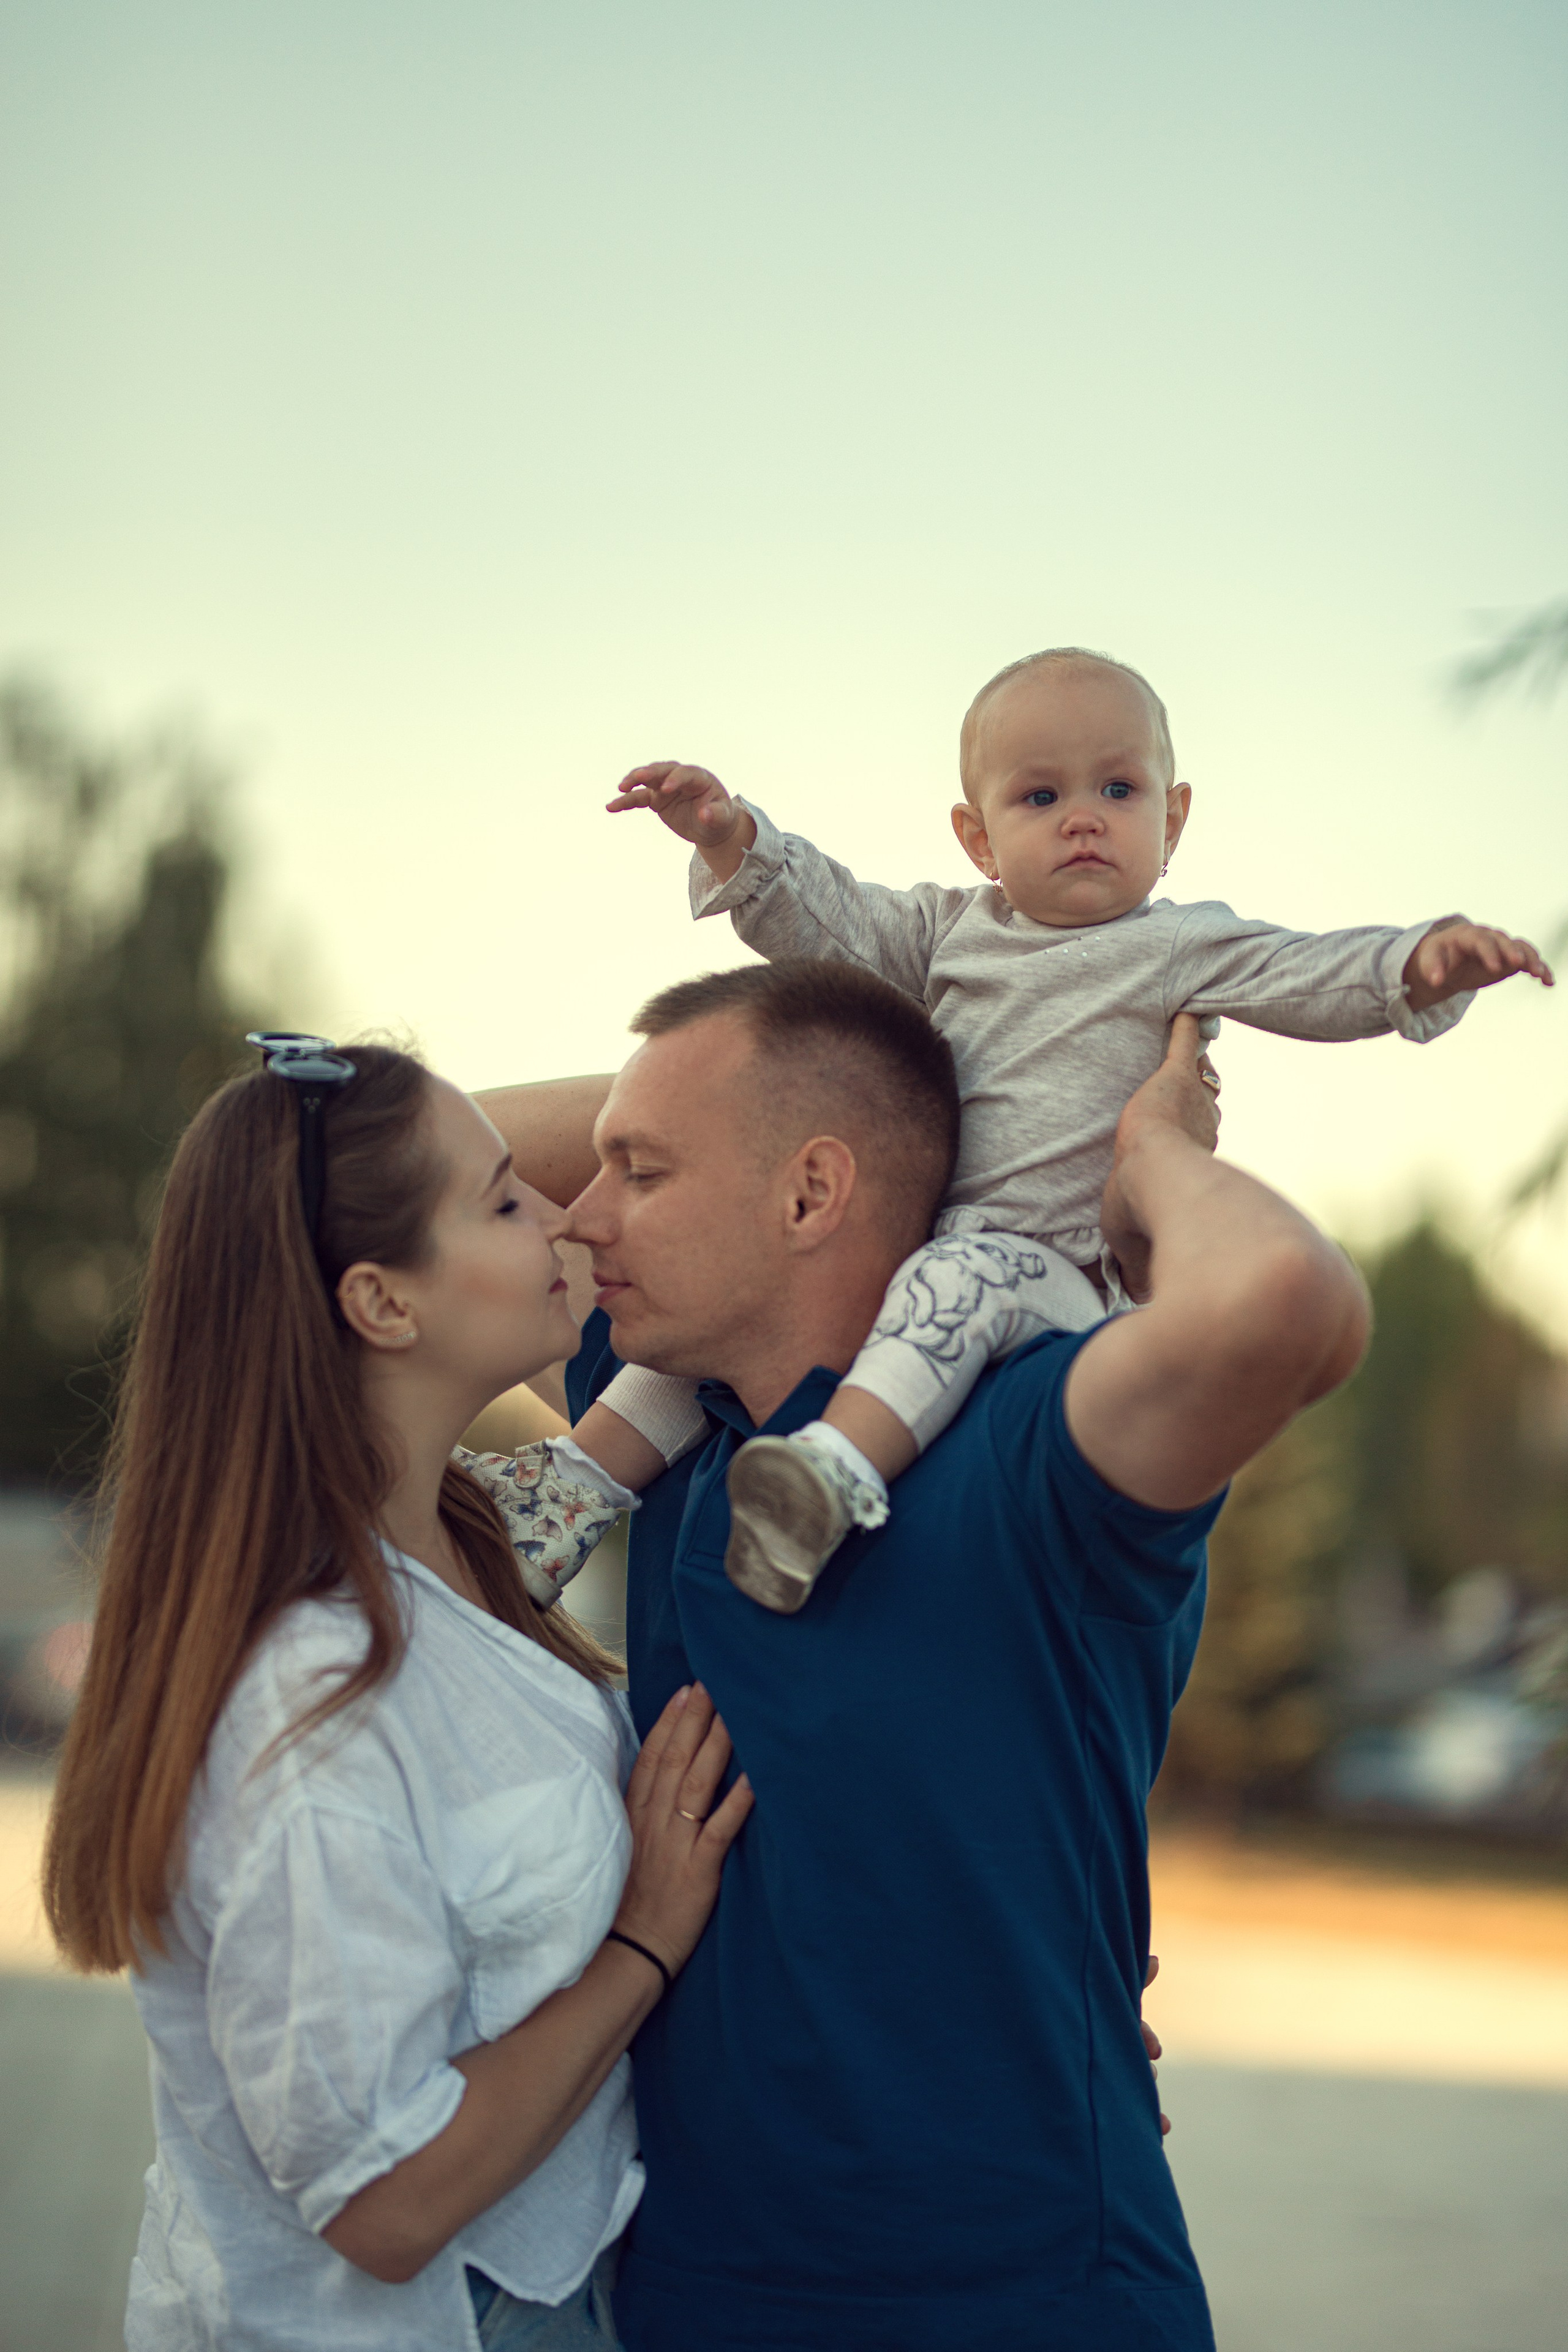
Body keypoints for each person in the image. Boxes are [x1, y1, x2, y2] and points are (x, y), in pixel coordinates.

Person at [481, 962, 1370, 2352]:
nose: (578, 1218)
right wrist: (947, 1062)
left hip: (1026, 2301)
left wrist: (1136, 1152)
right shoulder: (670, 1425)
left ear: (808, 1195)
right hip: (684, 2298)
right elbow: (342, 1171)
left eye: (638, 1173)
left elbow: (1284, 1296)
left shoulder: (1035, 1442)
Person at [43, 1038, 753, 2352]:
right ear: (379, 1304)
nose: (568, 1213)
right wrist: (644, 1941)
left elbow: (681, 1129)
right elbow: (383, 2200)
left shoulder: (475, 1538)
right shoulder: (306, 1697)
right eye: (503, 1200)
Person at [590, 647, 1551, 1609]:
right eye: (1040, 798)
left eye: (1119, 788)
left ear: (1172, 819)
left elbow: (1304, 972)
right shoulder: (951, 931)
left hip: (1057, 1273)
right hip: (916, 1253)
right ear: (978, 837)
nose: (1084, 816)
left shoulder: (1174, 944)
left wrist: (1419, 965)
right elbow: (835, 921)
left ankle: (832, 1478)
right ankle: (565, 1489)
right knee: (739, 1301)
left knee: (956, 1280)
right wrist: (736, 839)